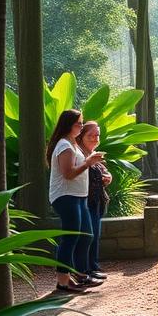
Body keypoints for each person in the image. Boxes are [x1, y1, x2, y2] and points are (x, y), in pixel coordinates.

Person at [46, 109, 105, 293]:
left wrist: (90, 161)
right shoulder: (64, 145)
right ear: (69, 125)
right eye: (78, 123)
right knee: (70, 238)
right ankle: (63, 281)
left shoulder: (72, 143)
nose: (81, 126)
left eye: (81, 122)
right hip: (65, 196)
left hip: (78, 196)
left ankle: (79, 274)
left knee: (86, 235)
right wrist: (88, 162)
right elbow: (68, 174)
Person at [78, 120, 111, 280]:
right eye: (90, 135)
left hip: (97, 200)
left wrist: (108, 177)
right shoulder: (79, 154)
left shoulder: (95, 155)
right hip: (85, 201)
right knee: (87, 235)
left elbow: (104, 171)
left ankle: (92, 265)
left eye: (97, 135)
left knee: (95, 234)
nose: (94, 138)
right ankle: (84, 269)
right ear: (81, 136)